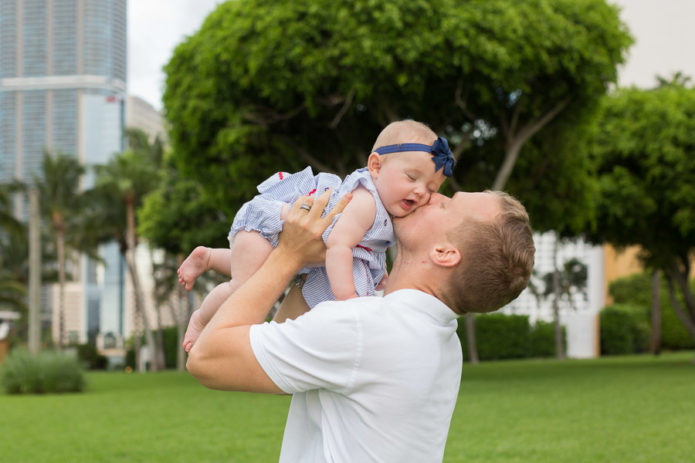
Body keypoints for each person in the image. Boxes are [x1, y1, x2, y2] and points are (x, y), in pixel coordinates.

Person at [186, 186, 535, 462]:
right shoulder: (442, 340)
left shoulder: (364, 326)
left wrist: (290, 254)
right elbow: (279, 360)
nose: (431, 194)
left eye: (446, 206)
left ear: (444, 253)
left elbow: (207, 359)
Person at [177, 120, 454, 352]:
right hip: (269, 225)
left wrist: (377, 272)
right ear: (376, 166)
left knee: (260, 268)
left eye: (431, 187)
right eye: (411, 177)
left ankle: (210, 256)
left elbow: (367, 248)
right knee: (244, 287)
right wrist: (346, 297)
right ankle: (201, 318)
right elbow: (338, 244)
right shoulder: (365, 202)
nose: (420, 192)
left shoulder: (387, 210)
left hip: (286, 245)